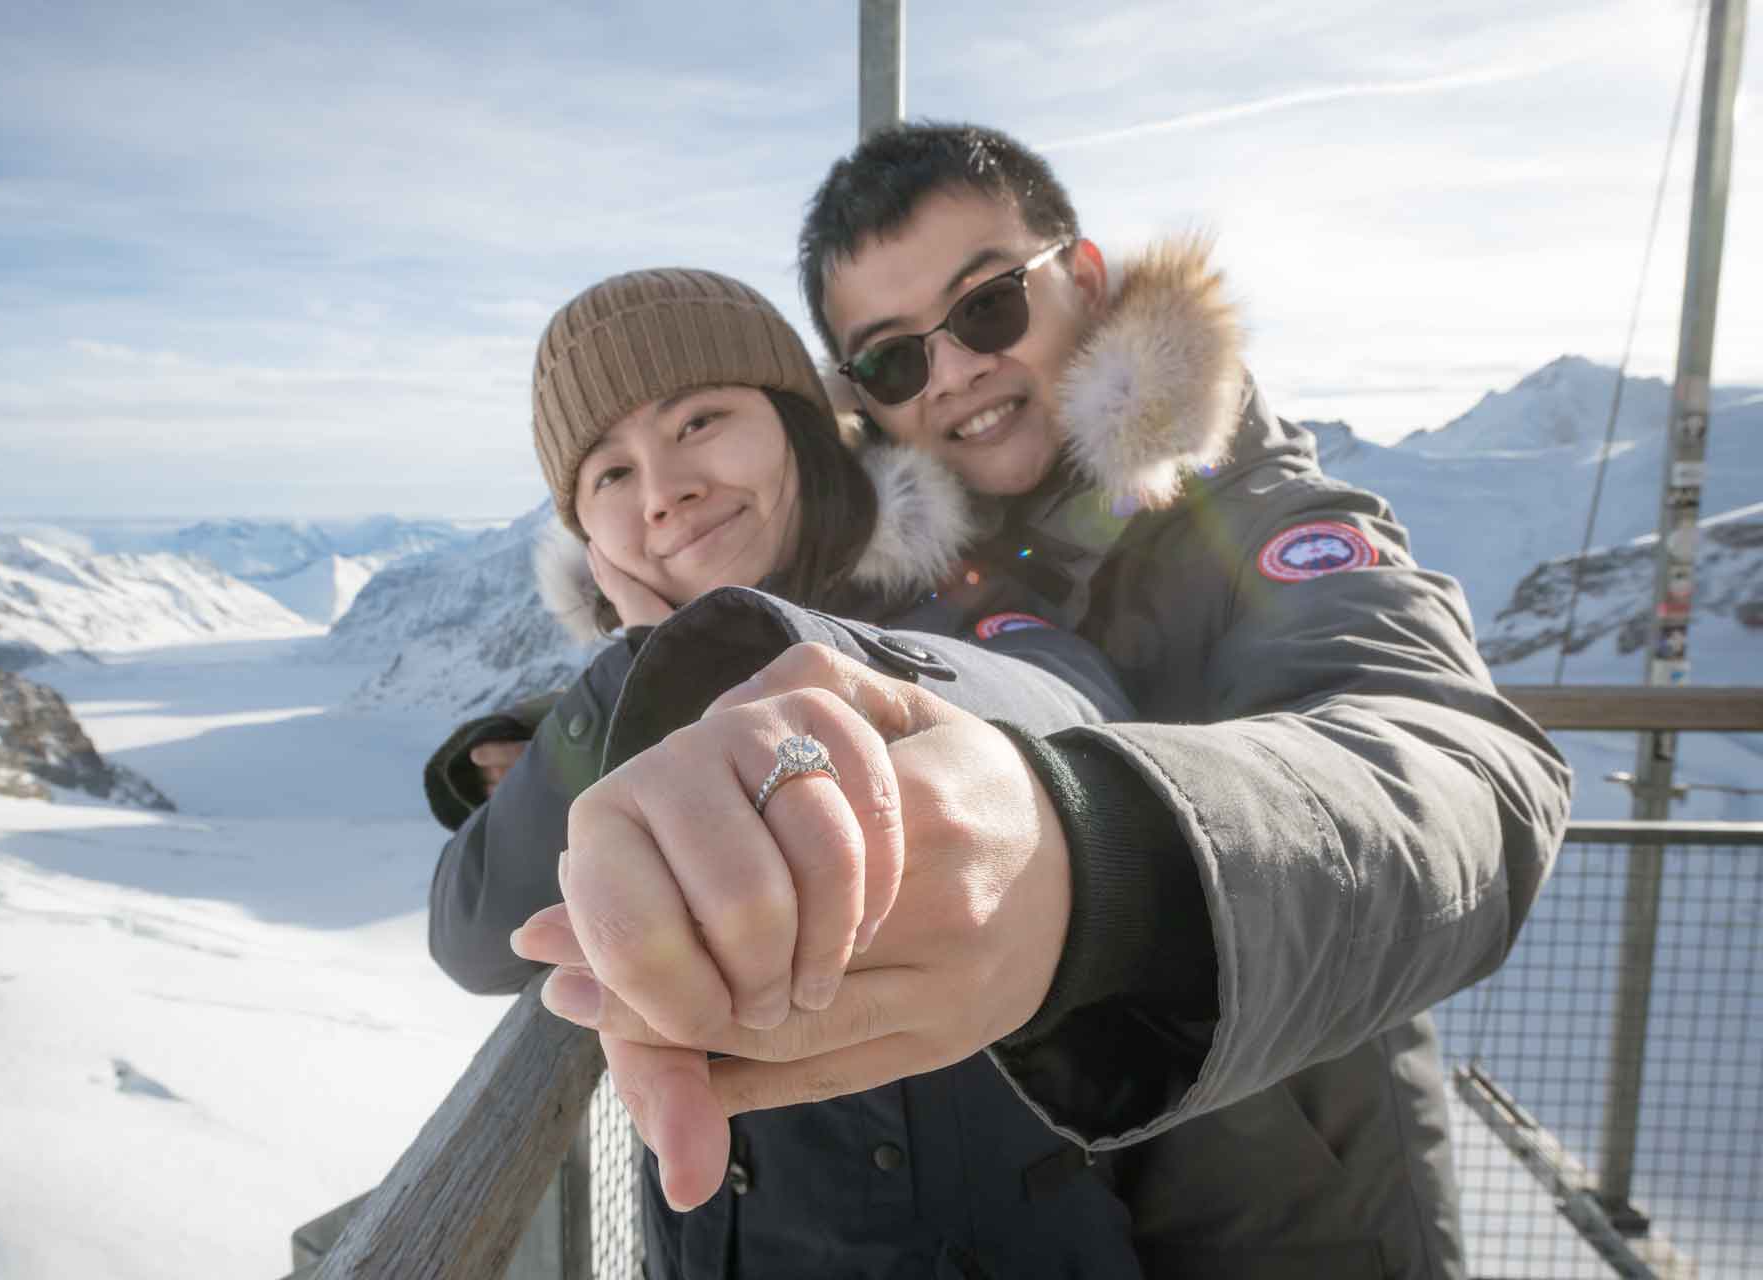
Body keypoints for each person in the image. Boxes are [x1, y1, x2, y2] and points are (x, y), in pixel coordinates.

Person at [512, 123, 1574, 1280]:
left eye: (987, 307)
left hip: (1295, 1213)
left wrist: (1097, 859)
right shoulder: (914, 574)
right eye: (894, 359)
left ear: (1086, 277)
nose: (957, 369)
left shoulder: (1262, 515)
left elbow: (1456, 768)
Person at [426, 266, 1167, 1278]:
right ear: (586, 540)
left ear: (797, 427)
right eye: (608, 473)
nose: (664, 488)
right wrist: (641, 670)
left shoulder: (949, 602)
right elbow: (473, 932)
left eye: (700, 420)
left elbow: (1078, 712)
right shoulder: (623, 703)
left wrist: (780, 674)